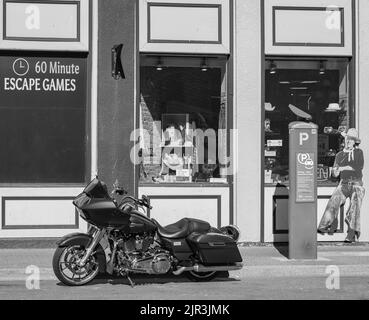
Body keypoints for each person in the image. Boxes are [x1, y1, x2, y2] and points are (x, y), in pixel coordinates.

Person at [318, 128, 365, 243]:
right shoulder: (339, 155)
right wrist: (335, 171)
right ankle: (325, 225)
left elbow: (357, 167)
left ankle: (351, 233)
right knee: (333, 201)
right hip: (343, 183)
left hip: (356, 184)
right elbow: (334, 171)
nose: (348, 142)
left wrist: (342, 168)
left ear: (355, 142)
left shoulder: (359, 152)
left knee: (355, 207)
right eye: (347, 139)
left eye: (351, 140)